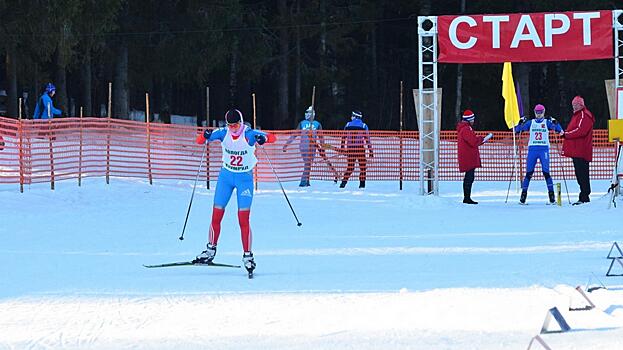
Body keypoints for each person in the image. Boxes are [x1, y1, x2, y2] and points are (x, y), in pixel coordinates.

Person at [193, 109, 276, 274]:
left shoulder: (249, 134)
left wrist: (264, 138)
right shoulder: (223, 133)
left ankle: (248, 255)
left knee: (243, 219)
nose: (233, 128)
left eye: (236, 124)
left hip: (244, 179)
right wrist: (205, 135)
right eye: (230, 125)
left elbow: (272, 137)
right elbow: (199, 141)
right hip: (226, 178)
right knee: (216, 215)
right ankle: (210, 250)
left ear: (241, 121)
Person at [513, 104, 563, 204]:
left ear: (544, 112)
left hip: (543, 149)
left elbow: (560, 130)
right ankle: (523, 197)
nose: (539, 115)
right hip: (532, 149)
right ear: (534, 112)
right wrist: (520, 123)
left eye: (540, 113)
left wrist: (555, 122)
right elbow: (517, 130)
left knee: (546, 172)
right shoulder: (531, 123)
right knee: (529, 173)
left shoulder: (547, 122)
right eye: (537, 113)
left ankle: (552, 197)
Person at [283, 106, 338, 186]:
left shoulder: (317, 124)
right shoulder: (302, 123)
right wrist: (286, 144)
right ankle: (303, 182)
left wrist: (323, 148)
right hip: (304, 147)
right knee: (307, 163)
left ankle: (307, 181)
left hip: (312, 147)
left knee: (308, 164)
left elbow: (321, 137)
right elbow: (294, 134)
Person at [562, 95, 594, 205]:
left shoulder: (584, 115)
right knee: (580, 173)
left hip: (581, 150)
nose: (574, 107)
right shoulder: (578, 115)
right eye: (573, 105)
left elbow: (580, 131)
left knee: (582, 174)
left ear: (581, 105)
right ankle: (584, 195)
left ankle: (584, 196)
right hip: (577, 151)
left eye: (576, 105)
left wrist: (566, 135)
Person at [457, 109, 492, 204]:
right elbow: (473, 141)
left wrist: (481, 140)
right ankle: (467, 198)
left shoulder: (465, 128)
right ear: (469, 119)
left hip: (468, 156)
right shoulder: (466, 129)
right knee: (469, 177)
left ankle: (467, 197)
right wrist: (483, 139)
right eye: (472, 119)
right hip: (468, 157)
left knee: (469, 177)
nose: (473, 121)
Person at [339, 110, 373, 189]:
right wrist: (370, 151)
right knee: (363, 168)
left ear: (355, 116)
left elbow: (343, 137)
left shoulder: (347, 124)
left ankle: (343, 184)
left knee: (350, 167)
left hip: (350, 149)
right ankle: (362, 185)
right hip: (360, 149)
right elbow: (367, 140)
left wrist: (342, 147)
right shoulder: (364, 126)